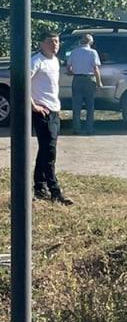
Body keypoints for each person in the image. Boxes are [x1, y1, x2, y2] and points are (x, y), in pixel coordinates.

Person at [31, 30, 73, 205]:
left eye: (56, 42)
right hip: (43, 112)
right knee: (49, 153)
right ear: (42, 43)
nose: (55, 45)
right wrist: (34, 106)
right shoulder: (36, 61)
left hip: (54, 111)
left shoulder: (54, 61)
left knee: (45, 150)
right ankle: (55, 191)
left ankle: (39, 187)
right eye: (50, 42)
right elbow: (21, 83)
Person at [67, 34, 102, 135]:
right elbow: (96, 68)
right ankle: (89, 129)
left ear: (81, 41)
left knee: (76, 105)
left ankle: (76, 129)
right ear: (91, 42)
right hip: (89, 79)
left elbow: (68, 67)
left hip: (77, 79)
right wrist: (99, 82)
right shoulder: (93, 52)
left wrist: (72, 72)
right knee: (90, 105)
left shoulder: (74, 52)